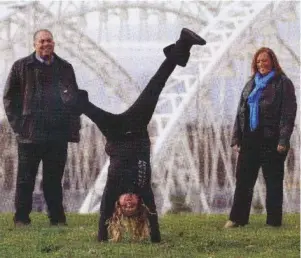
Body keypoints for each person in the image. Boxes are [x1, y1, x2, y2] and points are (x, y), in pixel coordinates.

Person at [73, 28, 206, 242]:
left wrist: (102, 239)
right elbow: (152, 216)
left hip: (114, 132)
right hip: (135, 125)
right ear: (138, 201)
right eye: (132, 205)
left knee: (80, 104)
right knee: (156, 85)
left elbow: (103, 217)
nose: (129, 202)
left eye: (125, 205)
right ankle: (183, 44)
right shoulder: (144, 189)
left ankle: (72, 94)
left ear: (118, 203)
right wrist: (156, 239)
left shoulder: (112, 189)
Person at [3, 29, 81, 226]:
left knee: (54, 180)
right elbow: (9, 98)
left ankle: (57, 219)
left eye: (50, 41)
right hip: (30, 134)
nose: (47, 44)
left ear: (54, 43)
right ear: (34, 44)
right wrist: (19, 126)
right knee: (25, 179)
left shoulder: (65, 67)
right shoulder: (21, 66)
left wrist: (71, 125)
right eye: (42, 41)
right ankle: (21, 218)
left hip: (57, 134)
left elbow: (74, 97)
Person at [224, 47, 297, 228]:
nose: (261, 64)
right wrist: (237, 138)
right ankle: (237, 219)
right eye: (258, 61)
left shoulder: (282, 83)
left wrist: (283, 140)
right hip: (250, 139)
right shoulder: (251, 84)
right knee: (244, 180)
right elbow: (241, 112)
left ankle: (273, 222)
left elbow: (288, 114)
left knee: (272, 181)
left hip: (271, 140)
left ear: (273, 61)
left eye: (264, 60)